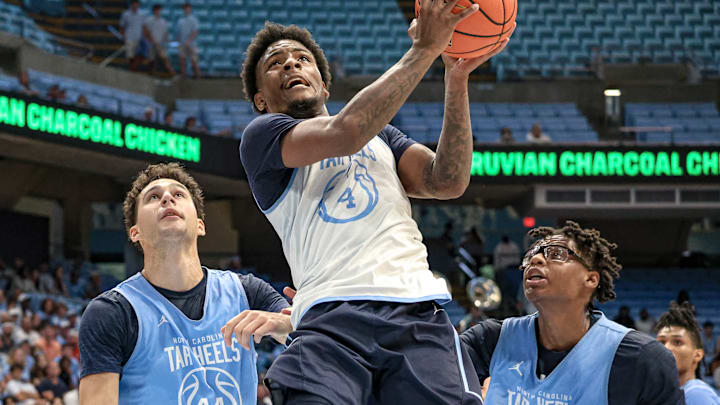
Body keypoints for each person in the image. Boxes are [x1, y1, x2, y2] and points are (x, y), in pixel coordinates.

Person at [238, 3, 514, 401]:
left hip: (416, 310)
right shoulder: (263, 136)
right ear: (261, 100)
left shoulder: (382, 135)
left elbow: (446, 181)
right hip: (330, 316)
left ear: (324, 85)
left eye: (302, 59)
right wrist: (424, 50)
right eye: (276, 63)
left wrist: (456, 79)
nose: (292, 65)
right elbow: (346, 130)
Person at [78, 163, 293, 404]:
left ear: (200, 225)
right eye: (153, 197)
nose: (167, 198)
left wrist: (286, 322)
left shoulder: (248, 292)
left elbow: (312, 337)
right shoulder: (111, 313)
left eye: (179, 194)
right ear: (134, 232)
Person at [461, 221, 684, 404]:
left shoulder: (642, 359)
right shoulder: (488, 341)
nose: (536, 259)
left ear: (590, 279)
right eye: (531, 256)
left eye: (556, 253)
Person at [656, 302, 720, 405]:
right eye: (661, 342)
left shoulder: (696, 394)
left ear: (697, 355)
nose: (666, 348)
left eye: (677, 342)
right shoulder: (673, 394)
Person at [142, 4, 175, 76]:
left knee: (165, 59)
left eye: (159, 10)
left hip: (160, 44)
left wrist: (166, 40)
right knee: (151, 60)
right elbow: (145, 30)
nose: (158, 12)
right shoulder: (149, 20)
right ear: (154, 11)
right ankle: (150, 74)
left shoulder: (163, 21)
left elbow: (166, 32)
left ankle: (172, 74)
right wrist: (150, 40)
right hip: (151, 44)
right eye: (156, 10)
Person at [119, 0, 146, 71]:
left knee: (140, 55)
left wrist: (144, 37)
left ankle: (133, 69)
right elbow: (121, 26)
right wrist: (124, 37)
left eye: (136, 4)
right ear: (131, 5)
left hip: (139, 38)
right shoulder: (126, 14)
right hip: (129, 37)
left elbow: (143, 26)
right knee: (130, 56)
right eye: (134, 4)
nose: (135, 5)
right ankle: (132, 70)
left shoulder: (142, 14)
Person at [176, 3, 201, 78]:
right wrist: (179, 42)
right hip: (182, 43)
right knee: (182, 60)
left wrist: (189, 41)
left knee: (194, 61)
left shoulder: (194, 20)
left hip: (192, 44)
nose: (186, 10)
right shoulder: (180, 20)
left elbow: (195, 32)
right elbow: (179, 33)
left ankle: (198, 76)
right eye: (185, 8)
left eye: (188, 8)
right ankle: (184, 76)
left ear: (190, 9)